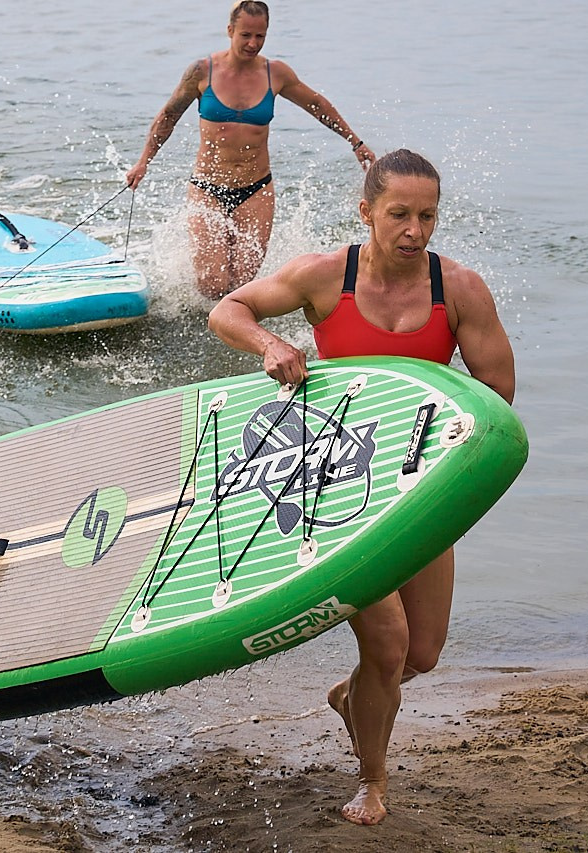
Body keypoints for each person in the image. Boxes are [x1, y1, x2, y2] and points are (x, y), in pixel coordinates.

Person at [206, 149, 518, 828]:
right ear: (367, 210)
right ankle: (373, 781)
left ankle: (355, 698)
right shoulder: (326, 277)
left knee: (423, 652)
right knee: (386, 644)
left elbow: (497, 396)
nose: (414, 228)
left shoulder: (459, 290)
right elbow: (228, 309)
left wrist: (458, 465)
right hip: (337, 486)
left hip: (418, 487)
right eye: (399, 213)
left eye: (427, 214)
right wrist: (268, 344)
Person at [125, 0, 373, 298]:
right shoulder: (202, 72)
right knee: (212, 286)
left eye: (260, 36)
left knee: (243, 287)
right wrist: (143, 162)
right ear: (230, 30)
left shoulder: (276, 73)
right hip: (208, 188)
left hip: (256, 189)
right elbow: (168, 116)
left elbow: (316, 105)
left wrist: (355, 141)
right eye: (246, 35)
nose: (253, 43)